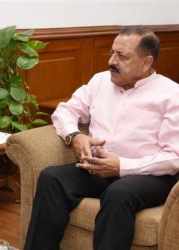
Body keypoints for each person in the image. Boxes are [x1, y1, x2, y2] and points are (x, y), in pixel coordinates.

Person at [24, 26, 179, 250]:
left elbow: (174, 157)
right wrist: (75, 136)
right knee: (52, 178)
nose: (112, 61)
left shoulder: (171, 95)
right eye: (112, 52)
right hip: (98, 167)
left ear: (146, 63)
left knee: (119, 194)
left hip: (150, 174)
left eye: (122, 56)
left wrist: (122, 167)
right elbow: (65, 111)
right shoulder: (100, 81)